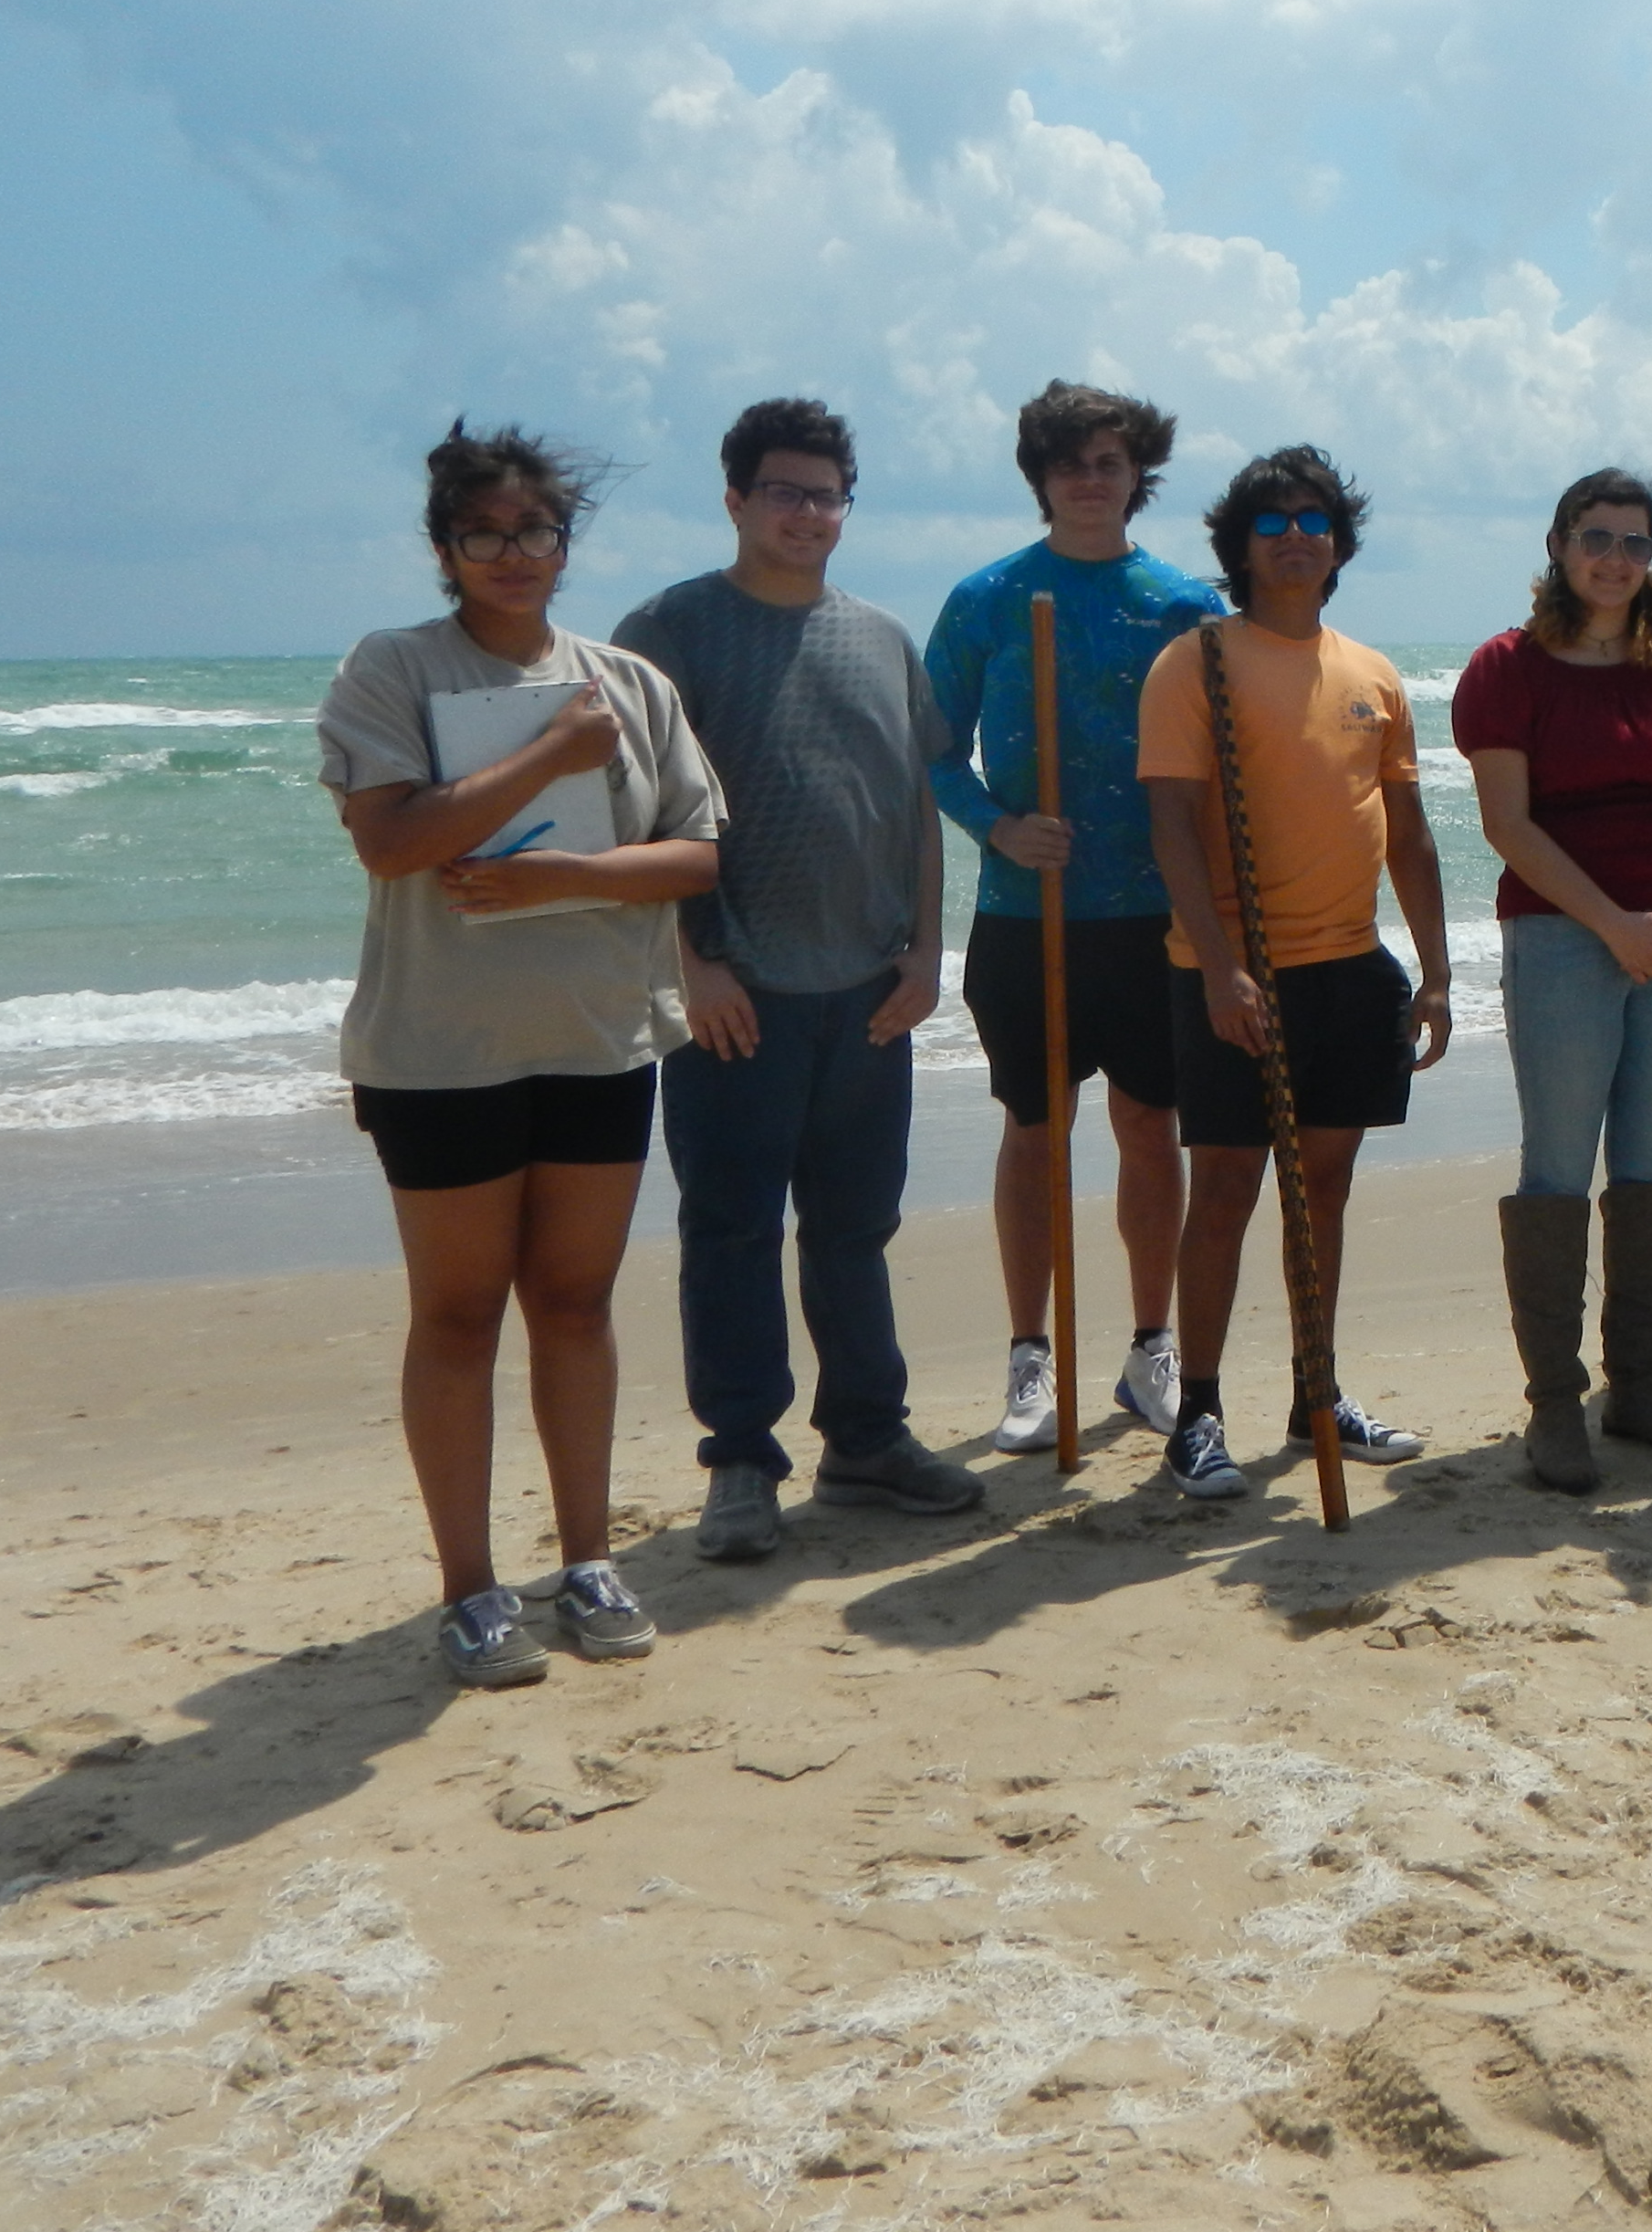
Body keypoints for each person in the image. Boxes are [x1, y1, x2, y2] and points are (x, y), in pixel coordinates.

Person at [318, 423, 722, 1688]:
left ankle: (589, 1559)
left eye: (533, 531)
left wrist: (574, 873)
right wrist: (548, 757)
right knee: (454, 1316)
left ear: (565, 544)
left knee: (576, 1305)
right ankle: (471, 1587)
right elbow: (392, 843)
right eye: (483, 533)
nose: (512, 553)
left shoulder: (629, 684)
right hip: (438, 1050)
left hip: (597, 1040)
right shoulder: (392, 670)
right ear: (446, 548)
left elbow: (700, 853)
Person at [612, 399, 980, 1565]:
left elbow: (914, 806)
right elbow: (632, 817)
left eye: (827, 495)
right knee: (729, 1231)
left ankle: (867, 1438)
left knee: (855, 1228)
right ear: (735, 499)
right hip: (734, 996)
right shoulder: (667, 633)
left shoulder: (879, 636)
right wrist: (691, 964)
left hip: (868, 992)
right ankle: (739, 1462)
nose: (807, 513)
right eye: (784, 491)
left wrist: (926, 954)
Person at [1136, 446, 1453, 1498]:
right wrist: (1222, 971)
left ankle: (1316, 1392)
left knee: (1322, 1190)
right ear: (1239, 546)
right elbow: (1173, 825)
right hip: (1231, 975)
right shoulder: (1199, 662)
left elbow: (1407, 832)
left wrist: (1438, 973)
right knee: (1225, 1186)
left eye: (1313, 519)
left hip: (1350, 970)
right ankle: (1198, 1411)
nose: (1294, 535)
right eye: (1271, 521)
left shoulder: (1372, 674)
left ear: (1338, 543)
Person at [925, 384, 1225, 1456]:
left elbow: (1224, 773)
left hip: (1152, 920)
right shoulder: (990, 599)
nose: (1089, 480)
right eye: (1069, 464)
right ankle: (1028, 1353)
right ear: (1040, 477)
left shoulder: (1186, 606)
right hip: (1025, 912)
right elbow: (928, 751)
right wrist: (997, 827)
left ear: (1137, 475)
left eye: (1108, 461)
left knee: (1150, 1126)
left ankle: (1150, 1347)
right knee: (1034, 1131)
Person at [1457, 469, 1652, 1490]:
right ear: (1559, 544)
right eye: (1596, 537)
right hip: (1566, 941)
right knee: (1559, 1169)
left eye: (1633, 540)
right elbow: (1506, 824)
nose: (1616, 558)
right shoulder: (1506, 666)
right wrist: (1613, 924)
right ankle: (1553, 1406)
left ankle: (1634, 1389)